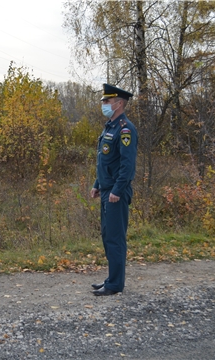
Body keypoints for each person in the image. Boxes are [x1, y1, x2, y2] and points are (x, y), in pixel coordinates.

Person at [90, 84, 138, 296]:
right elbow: (106, 161)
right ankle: (111, 278)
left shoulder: (126, 129)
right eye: (104, 101)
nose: (104, 104)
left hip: (116, 194)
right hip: (107, 190)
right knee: (107, 236)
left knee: (115, 238)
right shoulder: (109, 127)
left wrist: (117, 191)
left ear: (119, 103)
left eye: (107, 101)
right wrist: (97, 184)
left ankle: (115, 284)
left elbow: (127, 166)